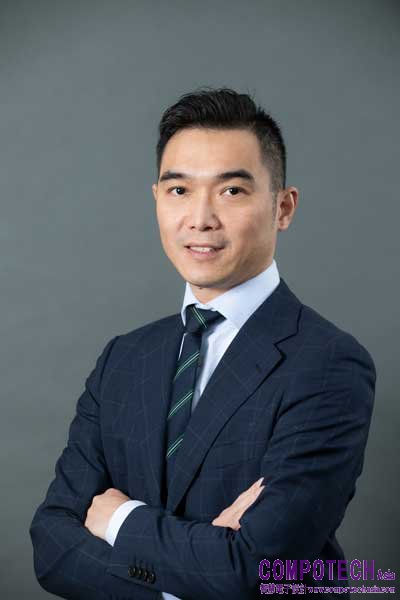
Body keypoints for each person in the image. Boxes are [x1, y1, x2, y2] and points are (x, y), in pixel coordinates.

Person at [30, 87, 376, 600]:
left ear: (283, 207)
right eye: (179, 190)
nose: (200, 218)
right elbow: (52, 547)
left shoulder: (328, 365)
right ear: (156, 199)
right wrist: (194, 574)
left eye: (231, 191)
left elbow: (257, 571)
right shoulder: (123, 359)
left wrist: (120, 519)